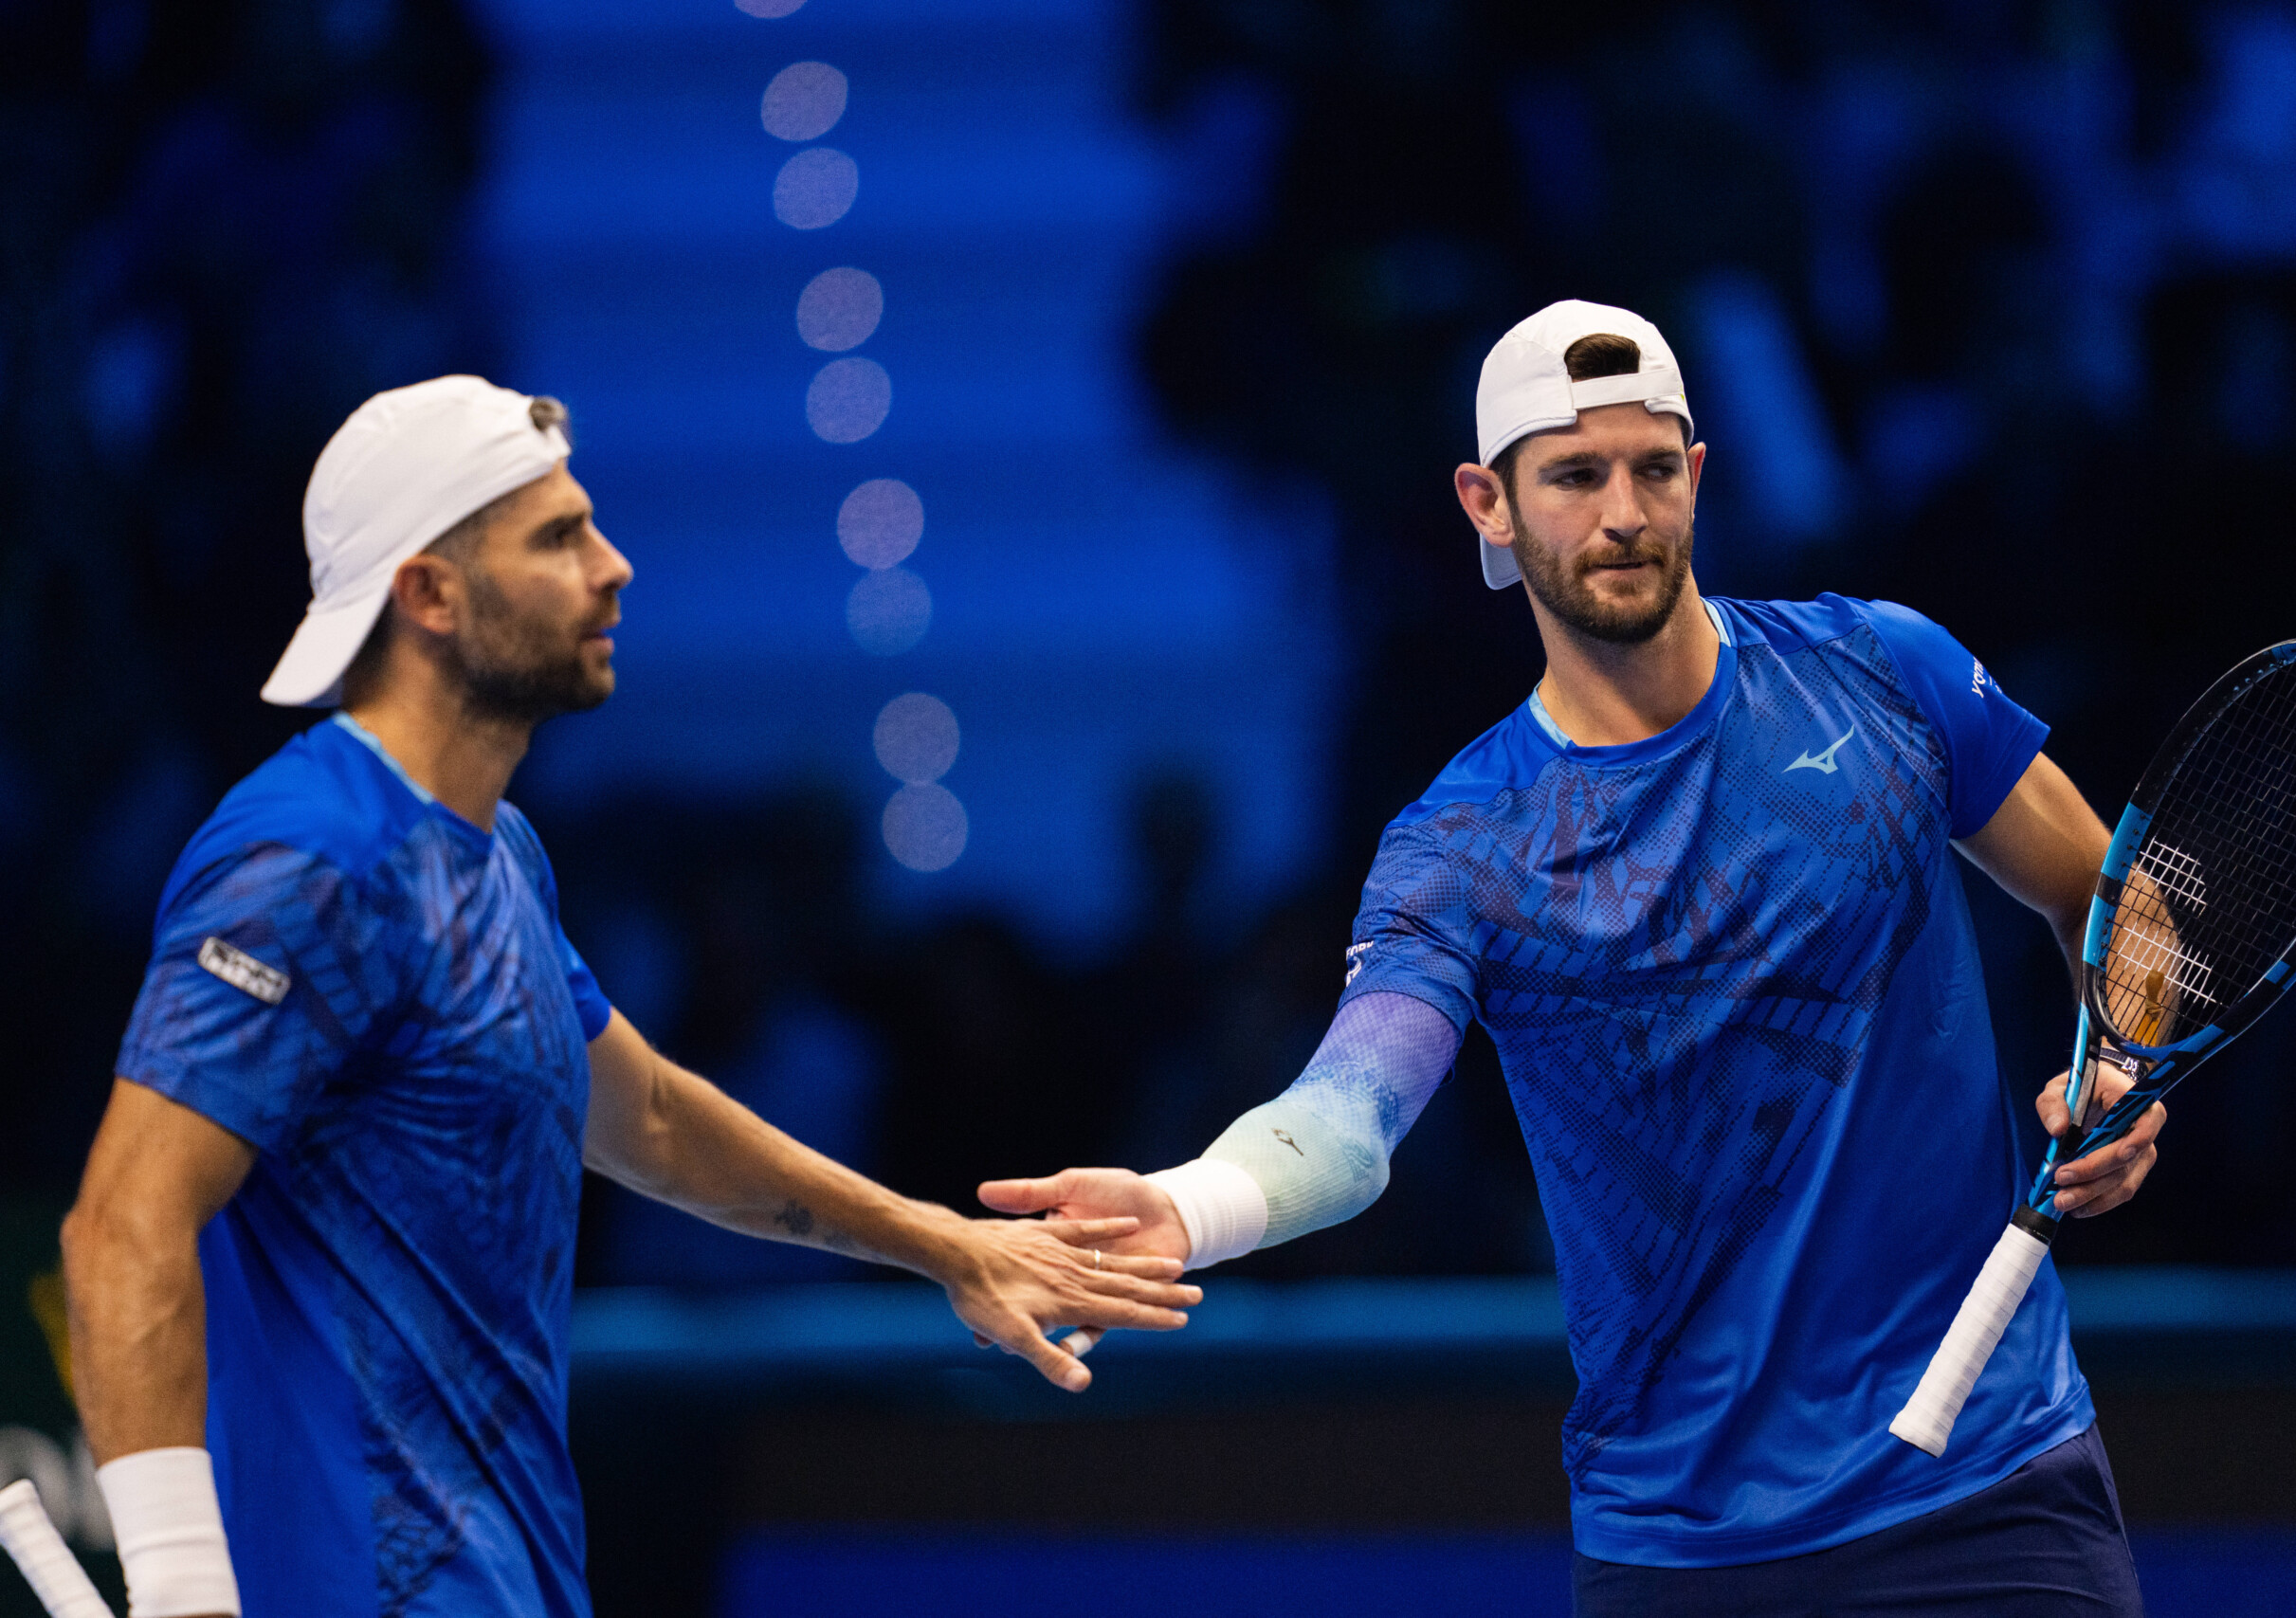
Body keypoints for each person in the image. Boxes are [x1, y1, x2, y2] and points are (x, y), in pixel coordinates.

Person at [983, 302, 2163, 1614]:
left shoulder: (1882, 670)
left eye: (1654, 469)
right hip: (1687, 1549)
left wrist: (2120, 1061)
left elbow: (2115, 899)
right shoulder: (1463, 845)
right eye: (1573, 477)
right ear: (1489, 504)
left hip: (1997, 1497)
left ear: (1698, 478)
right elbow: (1350, 1117)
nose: (1623, 514)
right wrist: (1194, 1206)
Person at [59, 377, 1198, 1618]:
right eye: (558, 539)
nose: (615, 567)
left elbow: (645, 1117)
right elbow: (123, 1225)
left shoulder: (498, 856)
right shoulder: (304, 856)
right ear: (429, 594)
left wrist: (948, 1248)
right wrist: (179, 1593)